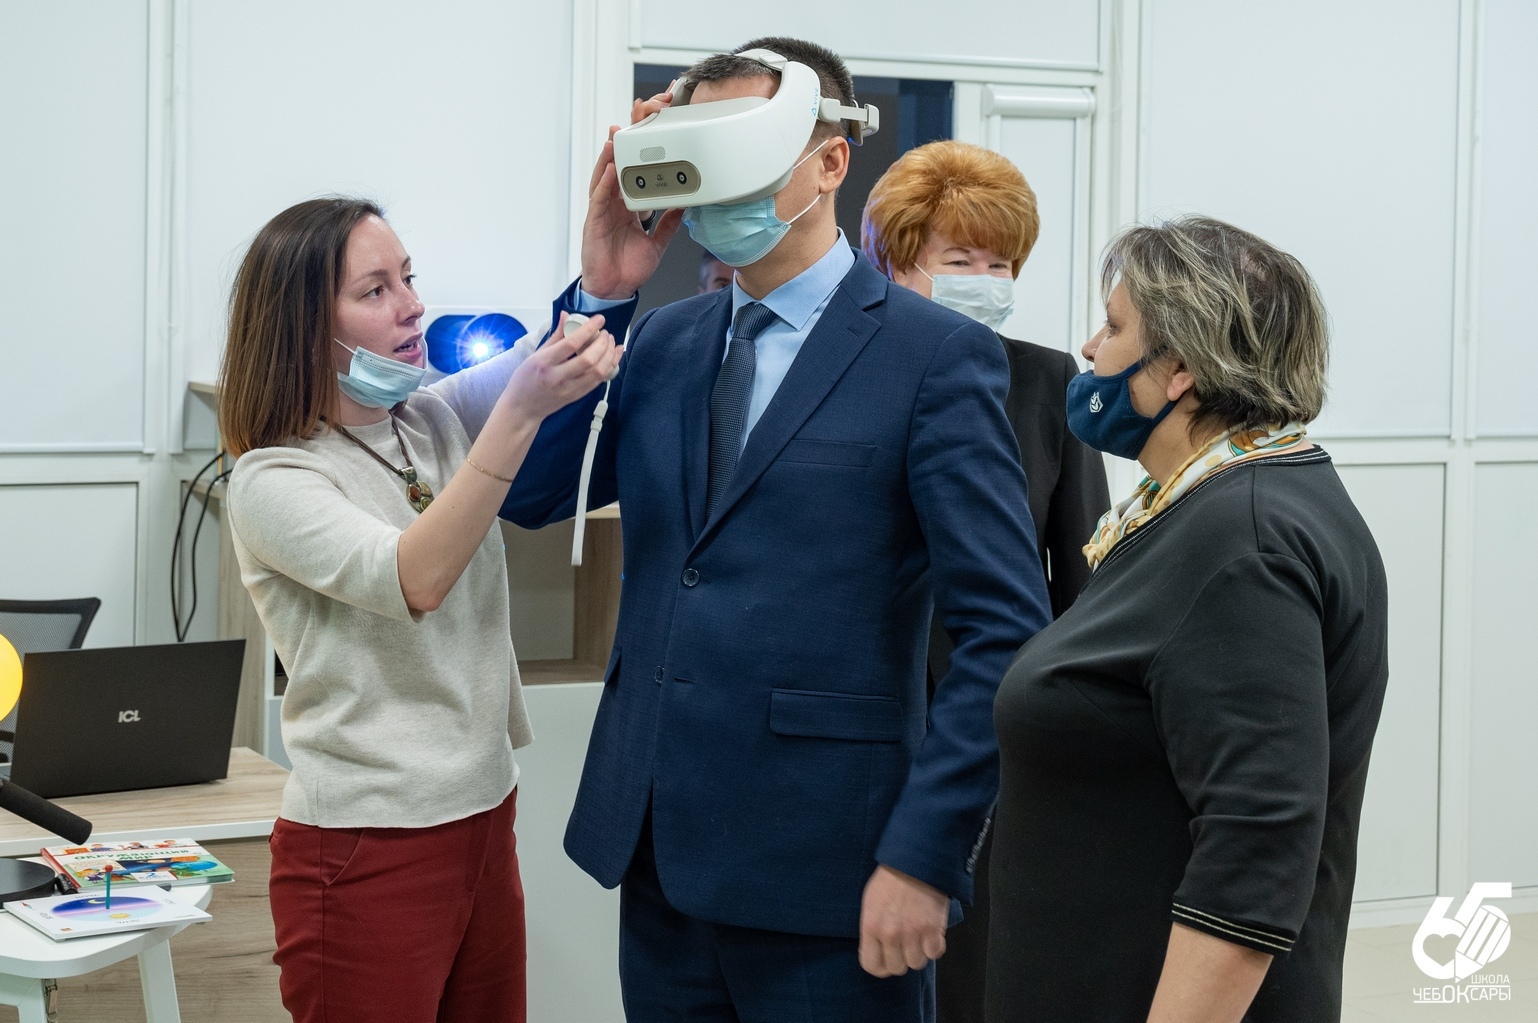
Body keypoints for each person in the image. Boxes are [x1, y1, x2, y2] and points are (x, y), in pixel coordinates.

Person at [500, 36, 1052, 1023]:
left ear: (830, 161)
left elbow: (1003, 631)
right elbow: (535, 491)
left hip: (833, 867)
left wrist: (925, 854)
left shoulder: (934, 357)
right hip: (659, 852)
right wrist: (603, 294)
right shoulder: (663, 339)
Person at [217, 192, 666, 1022]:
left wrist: (605, 283)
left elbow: (547, 355)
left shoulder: (425, 418)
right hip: (363, 843)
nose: (412, 304)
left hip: (484, 816)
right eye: (376, 289)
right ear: (302, 326)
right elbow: (414, 578)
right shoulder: (273, 478)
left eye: (409, 278)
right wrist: (518, 413)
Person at [987, 216, 1389, 1022]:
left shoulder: (1245, 543)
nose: (1090, 349)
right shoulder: (1209, 505)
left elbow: (1255, 850)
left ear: (1179, 369)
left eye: (1114, 328)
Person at [861, 139, 1110, 1023]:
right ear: (894, 261)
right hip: (867, 716)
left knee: (976, 970)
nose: (985, 280)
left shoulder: (1047, 379)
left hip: (995, 719)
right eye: (960, 259)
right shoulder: (851, 371)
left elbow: (1081, 577)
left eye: (1000, 263)